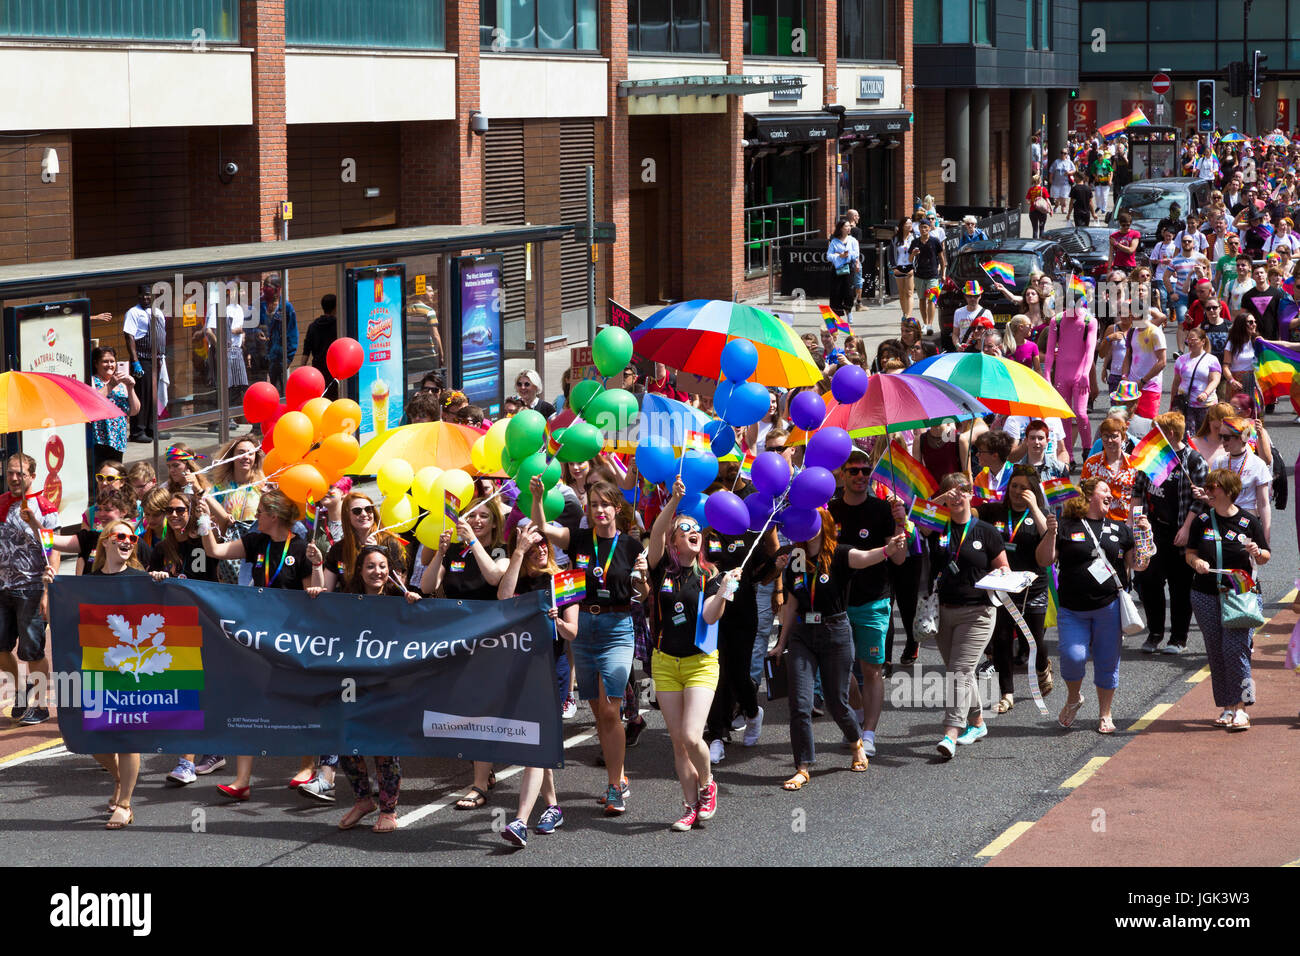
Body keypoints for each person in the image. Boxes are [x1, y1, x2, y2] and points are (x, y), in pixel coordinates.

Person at [769, 508, 907, 789]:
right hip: (802, 635)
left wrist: (887, 549)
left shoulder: (841, 553)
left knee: (837, 701)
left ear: (824, 524)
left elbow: (865, 558)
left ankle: (856, 740)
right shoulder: (795, 557)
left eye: (812, 519)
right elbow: (792, 602)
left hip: (835, 632)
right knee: (800, 704)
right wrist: (780, 643)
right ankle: (803, 766)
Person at [532, 477, 647, 814]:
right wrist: (538, 497)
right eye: (593, 504)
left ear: (616, 508)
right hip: (582, 629)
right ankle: (620, 776)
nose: (599, 510)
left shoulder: (630, 545)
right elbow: (541, 527)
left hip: (617, 628)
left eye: (604, 504)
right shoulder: (579, 539)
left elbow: (646, 595)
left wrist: (642, 577)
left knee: (611, 711)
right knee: (599, 714)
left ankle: (613, 786)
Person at [197, 490, 316, 798]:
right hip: (258, 633)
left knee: (300, 703)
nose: (256, 517)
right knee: (247, 702)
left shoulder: (301, 548)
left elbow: (310, 597)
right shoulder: (255, 542)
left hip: (290, 636)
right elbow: (215, 552)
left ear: (273, 515)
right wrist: (203, 520)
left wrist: (316, 574)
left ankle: (307, 767)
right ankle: (243, 781)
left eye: (261, 512)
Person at [644, 478, 740, 830]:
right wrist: (674, 502)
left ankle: (708, 782)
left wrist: (727, 590)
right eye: (685, 529)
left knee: (690, 736)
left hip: (701, 663)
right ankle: (688, 806)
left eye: (697, 528)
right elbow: (655, 533)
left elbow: (710, 616)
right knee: (677, 743)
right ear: (673, 540)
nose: (694, 531)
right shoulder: (661, 569)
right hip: (665, 661)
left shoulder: (710, 574)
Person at [305, 545, 420, 832]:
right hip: (352, 685)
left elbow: (421, 630)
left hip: (387, 687)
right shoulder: (345, 600)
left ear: (390, 570)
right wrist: (319, 596)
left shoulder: (399, 600)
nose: (377, 572)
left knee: (384, 749)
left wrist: (417, 604)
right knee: (347, 743)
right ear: (360, 570)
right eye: (370, 566)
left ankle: (388, 810)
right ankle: (362, 801)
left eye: (382, 566)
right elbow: (324, 619)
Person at [1037, 478, 1150, 734]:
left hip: (1108, 608)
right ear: (1088, 496)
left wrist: (1143, 534)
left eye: (1110, 492)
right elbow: (1044, 559)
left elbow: (1139, 564)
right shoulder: (1065, 525)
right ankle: (1074, 698)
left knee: (1107, 662)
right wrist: (1051, 532)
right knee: (1072, 656)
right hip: (1072, 609)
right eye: (1104, 490)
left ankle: (1105, 714)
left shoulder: (1120, 529)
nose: (1110, 495)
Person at [419, 497, 508, 811]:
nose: (479, 520)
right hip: (457, 641)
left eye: (485, 516)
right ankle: (485, 769)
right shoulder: (454, 551)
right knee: (463, 711)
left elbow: (495, 577)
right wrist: (441, 552)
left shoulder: (501, 550)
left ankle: (479, 785)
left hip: (488, 642)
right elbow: (428, 585)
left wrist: (472, 540)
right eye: (474, 516)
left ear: (494, 522)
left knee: (478, 710)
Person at [496, 524, 579, 847]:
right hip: (520, 667)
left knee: (534, 743)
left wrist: (557, 621)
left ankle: (519, 820)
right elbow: (504, 598)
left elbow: (573, 633)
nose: (540, 549)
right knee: (538, 742)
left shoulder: (567, 579)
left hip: (551, 668)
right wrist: (517, 552)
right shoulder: (518, 575)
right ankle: (554, 806)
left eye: (542, 543)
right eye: (532, 546)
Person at [922, 472, 1009, 758]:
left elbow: (1003, 567)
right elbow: (918, 517)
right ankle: (978, 723)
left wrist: (1001, 576)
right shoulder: (937, 527)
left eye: (963, 490)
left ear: (971, 494)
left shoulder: (985, 530)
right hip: (945, 611)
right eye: (951, 491)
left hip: (979, 612)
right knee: (961, 672)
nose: (957, 495)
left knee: (959, 672)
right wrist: (939, 500)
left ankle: (951, 731)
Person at [830, 450, 908, 756]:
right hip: (836, 602)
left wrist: (900, 525)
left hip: (874, 600)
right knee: (838, 669)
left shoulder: (883, 510)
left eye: (866, 471)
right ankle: (859, 712)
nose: (861, 476)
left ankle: (870, 733)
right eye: (854, 471)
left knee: (872, 668)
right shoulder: (830, 510)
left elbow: (899, 559)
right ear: (842, 475)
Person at [77, 521, 150, 828]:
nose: (128, 541)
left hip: (131, 670)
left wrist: (160, 583)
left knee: (127, 736)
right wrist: (50, 587)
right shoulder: (88, 581)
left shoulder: (141, 578)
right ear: (104, 542)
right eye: (120, 536)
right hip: (96, 667)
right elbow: (62, 619)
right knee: (89, 737)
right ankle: (120, 777)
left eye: (132, 537)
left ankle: (125, 804)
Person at [1185, 469, 1270, 732]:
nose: (1208, 492)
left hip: (1240, 594)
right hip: (1205, 594)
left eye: (1213, 487)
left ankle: (1242, 708)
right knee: (1217, 651)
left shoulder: (1248, 521)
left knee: (1237, 650)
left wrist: (1257, 552)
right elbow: (1189, 553)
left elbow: (1266, 555)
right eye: (1208, 487)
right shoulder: (1201, 520)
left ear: (1229, 491)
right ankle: (1226, 706)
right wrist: (1196, 561)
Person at [1132, 411, 1208, 655]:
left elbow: (1199, 502)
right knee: (1149, 582)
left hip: (1181, 532)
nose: (1153, 437)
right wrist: (1137, 524)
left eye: (1159, 432)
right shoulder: (1153, 457)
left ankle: (1178, 638)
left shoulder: (1194, 461)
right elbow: (1138, 491)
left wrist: (1186, 528)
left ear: (1171, 434)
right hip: (1153, 532)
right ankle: (1155, 634)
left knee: (1179, 587)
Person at [981, 465, 1053, 712]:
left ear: (1033, 490)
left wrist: (1034, 506)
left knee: (1033, 639)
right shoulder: (995, 511)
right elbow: (965, 514)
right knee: (1001, 639)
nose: (1017, 491)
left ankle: (1043, 666)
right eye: (1014, 486)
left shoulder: (1040, 513)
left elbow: (1048, 537)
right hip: (1001, 588)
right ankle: (1006, 693)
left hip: (1033, 588)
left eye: (1024, 487)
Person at [0, 453, 59, 724]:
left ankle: (42, 704)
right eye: (10, 473)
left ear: (32, 476)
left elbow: (54, 548)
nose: (14, 478)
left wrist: (48, 590)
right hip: (2, 588)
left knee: (32, 650)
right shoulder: (0, 503)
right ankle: (22, 692)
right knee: (1, 648)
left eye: (20, 474)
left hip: (32, 589)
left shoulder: (45, 507)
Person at [1045, 296, 1098, 469]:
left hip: (1079, 374)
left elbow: (1090, 350)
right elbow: (1050, 351)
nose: (1071, 310)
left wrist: (1085, 373)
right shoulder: (1057, 321)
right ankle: (1068, 454)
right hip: (1061, 374)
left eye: (1074, 306)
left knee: (1081, 413)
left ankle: (1087, 449)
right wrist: (1047, 374)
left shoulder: (1090, 321)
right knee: (1064, 416)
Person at [204, 438, 265, 586]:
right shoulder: (219, 489)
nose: (246, 457)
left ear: (256, 457)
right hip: (229, 553)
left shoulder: (264, 486)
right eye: (241, 453)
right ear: (232, 457)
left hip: (257, 552)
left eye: (250, 453)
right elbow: (213, 525)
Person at [1208, 417, 1272, 544]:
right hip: (1222, 520)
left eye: (1226, 437)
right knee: (1221, 558)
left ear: (1241, 438)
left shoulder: (1258, 464)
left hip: (1246, 522)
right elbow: (1212, 497)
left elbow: (1264, 503)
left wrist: (1266, 534)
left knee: (1245, 557)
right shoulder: (1219, 462)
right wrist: (1204, 495)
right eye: (1220, 436)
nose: (1222, 442)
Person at [202, 279, 249, 420]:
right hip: (223, 351)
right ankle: (219, 420)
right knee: (224, 386)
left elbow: (239, 330)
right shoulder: (216, 307)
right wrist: (221, 348)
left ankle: (228, 417)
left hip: (235, 350)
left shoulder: (238, 308)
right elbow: (209, 331)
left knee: (237, 385)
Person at [123, 283, 165, 442]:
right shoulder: (133, 313)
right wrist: (135, 362)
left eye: (149, 295)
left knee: (154, 396)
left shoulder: (157, 312)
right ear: (138, 296)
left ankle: (152, 429)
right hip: (142, 359)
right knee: (142, 395)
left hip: (157, 360)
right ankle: (137, 431)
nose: (146, 298)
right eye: (143, 295)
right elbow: (129, 337)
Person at [88, 346, 139, 465]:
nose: (109, 365)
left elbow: (134, 411)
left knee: (115, 475)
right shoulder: (92, 381)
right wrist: (110, 386)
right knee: (100, 474)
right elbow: (93, 403)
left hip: (118, 440)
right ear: (96, 364)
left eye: (112, 361)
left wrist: (131, 388)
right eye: (105, 361)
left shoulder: (122, 384)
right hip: (99, 440)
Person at [1081, 417, 1138, 523]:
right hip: (1098, 521)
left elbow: (1139, 496)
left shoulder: (1135, 465)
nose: (1109, 440)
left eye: (1114, 436)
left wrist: (1132, 522)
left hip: (1126, 522)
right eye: (1105, 436)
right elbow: (1083, 494)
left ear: (1123, 438)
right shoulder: (1091, 464)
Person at [1171, 328, 1222, 436]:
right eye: (1188, 339)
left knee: (1207, 436)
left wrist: (1205, 393)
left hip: (1206, 405)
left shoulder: (1211, 360)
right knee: (1188, 437)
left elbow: (1215, 379)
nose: (1190, 342)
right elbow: (1176, 383)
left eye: (1193, 339)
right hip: (1185, 405)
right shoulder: (1181, 360)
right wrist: (1172, 404)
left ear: (1203, 341)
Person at [1119, 314, 1168, 427]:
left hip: (1150, 387)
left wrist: (1143, 381)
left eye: (1132, 316)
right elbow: (1128, 356)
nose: (1129, 319)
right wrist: (1124, 376)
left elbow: (1162, 362)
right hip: (1131, 387)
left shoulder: (1155, 332)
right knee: (1127, 425)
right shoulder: (1132, 331)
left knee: (1148, 426)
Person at [258, 275, 297, 391]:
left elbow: (292, 334)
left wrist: (288, 359)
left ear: (277, 289)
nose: (264, 289)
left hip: (279, 358)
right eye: (263, 286)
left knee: (279, 391)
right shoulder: (260, 305)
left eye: (268, 286)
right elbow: (253, 326)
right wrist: (257, 332)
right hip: (262, 356)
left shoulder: (286, 308)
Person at [909, 218, 946, 336]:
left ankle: (930, 325)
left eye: (926, 227)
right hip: (919, 274)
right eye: (921, 227)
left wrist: (943, 273)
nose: (923, 229)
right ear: (919, 229)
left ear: (929, 228)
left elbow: (941, 259)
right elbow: (909, 260)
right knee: (921, 299)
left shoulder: (935, 241)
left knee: (932, 300)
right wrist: (913, 254)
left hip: (933, 275)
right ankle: (925, 323)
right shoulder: (915, 242)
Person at [300, 294, 340, 399]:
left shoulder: (313, 326)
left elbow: (306, 351)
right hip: (334, 370)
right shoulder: (339, 325)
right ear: (336, 307)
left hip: (318, 370)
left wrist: (301, 371)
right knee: (334, 398)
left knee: (320, 398)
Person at [1221, 313, 1259, 410]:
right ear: (1241, 325)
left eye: (1255, 322)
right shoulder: (1232, 343)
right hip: (1237, 383)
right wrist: (1231, 380)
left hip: (1254, 381)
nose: (1254, 324)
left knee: (1254, 412)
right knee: (1237, 413)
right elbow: (1225, 366)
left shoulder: (1257, 341)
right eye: (1250, 322)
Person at [828, 218, 860, 321]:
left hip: (848, 268)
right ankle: (836, 315)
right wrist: (839, 256)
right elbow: (828, 256)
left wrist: (848, 255)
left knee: (849, 292)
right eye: (846, 226)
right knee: (836, 292)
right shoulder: (834, 241)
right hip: (837, 269)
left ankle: (849, 311)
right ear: (841, 228)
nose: (848, 228)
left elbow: (856, 254)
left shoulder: (853, 240)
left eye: (849, 226)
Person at [891, 218, 915, 319]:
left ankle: (909, 316)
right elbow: (891, 254)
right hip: (899, 267)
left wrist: (914, 268)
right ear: (902, 226)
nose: (909, 225)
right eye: (907, 224)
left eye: (910, 223)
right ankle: (904, 314)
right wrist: (894, 267)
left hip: (910, 267)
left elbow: (917, 254)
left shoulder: (914, 238)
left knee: (909, 292)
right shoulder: (895, 238)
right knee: (902, 293)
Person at [1049, 148, 1076, 213]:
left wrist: (1069, 173)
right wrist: (1050, 179)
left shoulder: (1069, 162)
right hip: (1056, 183)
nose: (1063, 154)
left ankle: (1063, 208)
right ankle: (1056, 206)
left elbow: (1074, 170)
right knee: (1057, 198)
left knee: (1064, 197)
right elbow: (1051, 171)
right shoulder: (1056, 162)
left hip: (1065, 183)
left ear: (1067, 154)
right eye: (1062, 153)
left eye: (1065, 153)